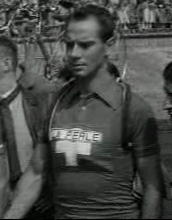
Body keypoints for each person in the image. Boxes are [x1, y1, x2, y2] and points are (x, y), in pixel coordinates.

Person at [4, 5, 163, 219]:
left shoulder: (134, 108)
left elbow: (153, 185)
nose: (75, 54)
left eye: (85, 45)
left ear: (110, 45)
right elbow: (36, 172)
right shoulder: (55, 102)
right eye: (70, 45)